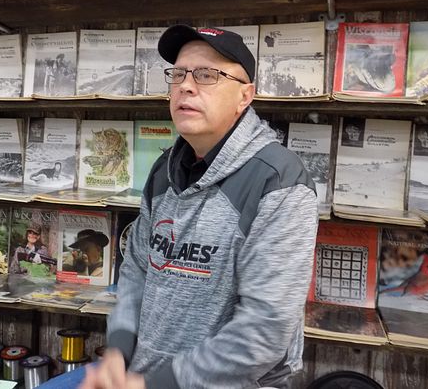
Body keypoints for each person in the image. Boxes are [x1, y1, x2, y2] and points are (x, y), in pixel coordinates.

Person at [81, 25, 318, 389]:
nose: (186, 86)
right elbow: (137, 271)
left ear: (245, 96)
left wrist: (157, 384)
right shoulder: (164, 170)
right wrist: (118, 350)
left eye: (207, 75)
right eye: (178, 74)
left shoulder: (280, 180)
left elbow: (265, 328)